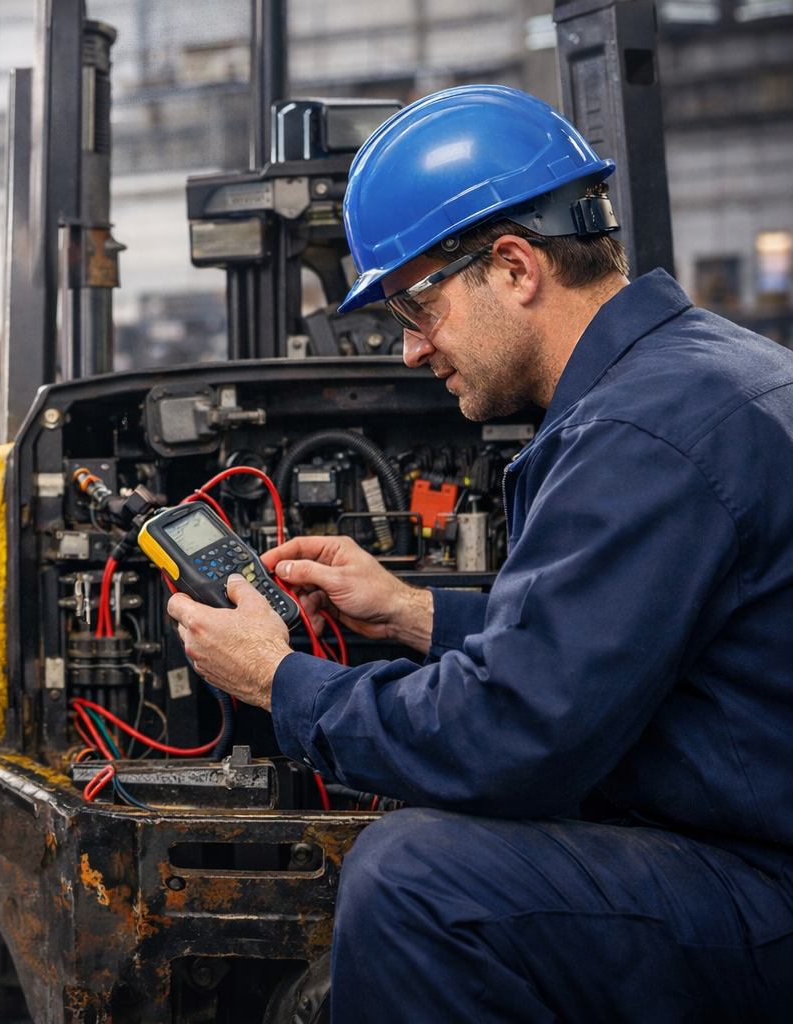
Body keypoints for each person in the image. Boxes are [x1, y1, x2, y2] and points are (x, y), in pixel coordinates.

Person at [168, 86, 793, 1022]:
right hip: (754, 827)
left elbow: (513, 739)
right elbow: (606, 644)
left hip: (766, 886)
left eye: (418, 309)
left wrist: (278, 681)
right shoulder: (702, 373)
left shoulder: (641, 435)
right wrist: (416, 614)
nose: (412, 351)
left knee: (420, 882)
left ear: (513, 267)